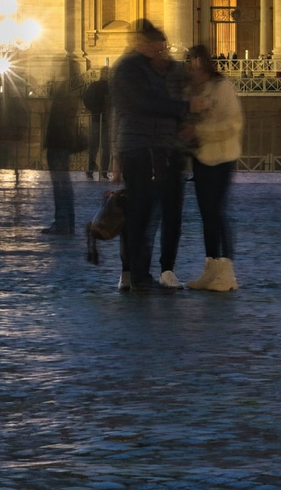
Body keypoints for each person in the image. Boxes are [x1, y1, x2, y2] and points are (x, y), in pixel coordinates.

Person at [109, 20, 193, 292]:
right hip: (143, 148)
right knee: (140, 214)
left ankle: (142, 272)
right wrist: (185, 106)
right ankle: (137, 274)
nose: (163, 55)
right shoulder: (129, 70)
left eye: (165, 50)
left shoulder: (152, 69)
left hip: (158, 148)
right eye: (158, 50)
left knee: (151, 213)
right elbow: (145, 105)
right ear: (143, 44)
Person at [185, 45, 243, 291]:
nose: (195, 70)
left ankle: (227, 272)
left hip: (222, 157)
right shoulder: (191, 91)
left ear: (207, 65)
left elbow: (233, 124)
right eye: (191, 65)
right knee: (206, 214)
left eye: (199, 65)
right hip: (201, 158)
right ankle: (210, 268)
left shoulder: (223, 88)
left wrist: (198, 130)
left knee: (217, 212)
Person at [42, 65, 88, 233]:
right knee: (64, 184)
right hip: (62, 140)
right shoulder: (75, 90)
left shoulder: (65, 90)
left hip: (58, 140)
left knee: (60, 184)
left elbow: (58, 117)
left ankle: (62, 223)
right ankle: (68, 222)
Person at [79, 68, 111, 179]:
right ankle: (99, 171)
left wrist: (94, 109)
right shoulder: (107, 86)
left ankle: (96, 170)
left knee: (100, 147)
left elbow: (86, 98)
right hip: (102, 119)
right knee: (99, 147)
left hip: (100, 119)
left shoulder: (96, 86)